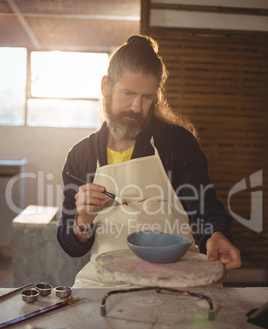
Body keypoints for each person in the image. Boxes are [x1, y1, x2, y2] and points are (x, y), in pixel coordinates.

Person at [57, 34, 241, 288]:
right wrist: (83, 221)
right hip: (107, 283)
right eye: (128, 93)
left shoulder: (177, 143)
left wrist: (216, 235)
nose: (136, 107)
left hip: (177, 279)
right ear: (106, 86)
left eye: (146, 97)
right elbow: (71, 246)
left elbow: (206, 209)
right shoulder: (80, 156)